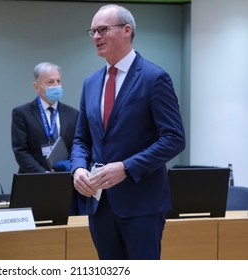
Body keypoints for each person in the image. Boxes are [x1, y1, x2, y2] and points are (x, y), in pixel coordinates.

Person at [70, 5, 185, 259]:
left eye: (102, 30)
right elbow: (81, 139)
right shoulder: (90, 83)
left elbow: (174, 139)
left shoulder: (155, 78)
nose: (96, 37)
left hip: (142, 205)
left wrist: (126, 167)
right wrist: (78, 168)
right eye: (93, 32)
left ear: (127, 30)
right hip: (99, 205)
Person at [11, 62, 86, 215]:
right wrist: (44, 175)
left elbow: (78, 147)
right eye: (50, 82)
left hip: (65, 183)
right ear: (37, 86)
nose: (56, 85)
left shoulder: (73, 114)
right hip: (34, 183)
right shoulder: (22, 113)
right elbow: (21, 151)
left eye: (58, 81)